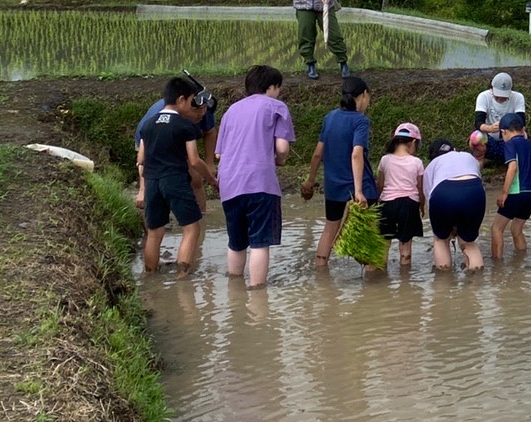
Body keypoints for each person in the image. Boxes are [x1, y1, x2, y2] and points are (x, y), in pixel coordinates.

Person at [213, 65, 294, 287]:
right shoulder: (276, 106)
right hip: (259, 182)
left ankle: (235, 290)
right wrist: (280, 160)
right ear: (272, 87)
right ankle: (258, 296)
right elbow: (282, 147)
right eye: (278, 88)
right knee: (259, 242)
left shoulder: (231, 111)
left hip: (229, 184)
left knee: (236, 242)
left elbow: (219, 153)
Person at [136, 75, 219, 275]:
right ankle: (183, 278)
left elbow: (141, 159)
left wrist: (144, 186)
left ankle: (151, 275)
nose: (193, 106)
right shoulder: (186, 126)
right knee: (191, 229)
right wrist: (211, 179)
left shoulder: (148, 124)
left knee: (155, 233)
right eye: (191, 101)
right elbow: (193, 160)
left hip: (153, 182)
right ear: (181, 100)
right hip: (175, 180)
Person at [300, 75, 377, 267]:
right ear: (363, 95)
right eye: (368, 98)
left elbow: (318, 153)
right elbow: (356, 154)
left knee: (330, 227)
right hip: (360, 185)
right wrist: (358, 191)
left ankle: (321, 269)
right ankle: (372, 277)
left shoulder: (330, 117)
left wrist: (310, 181)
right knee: (370, 231)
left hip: (333, 185)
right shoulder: (361, 121)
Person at [423, 134, 488, 271]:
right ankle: (475, 284)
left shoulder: (431, 166)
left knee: (441, 240)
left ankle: (444, 284)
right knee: (469, 243)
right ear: (454, 149)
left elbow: (431, 198)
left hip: (443, 193)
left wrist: (446, 228)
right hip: (474, 192)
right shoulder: (468, 157)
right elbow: (477, 179)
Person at [490, 112, 531, 260]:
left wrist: (504, 192)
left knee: (496, 229)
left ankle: (497, 264)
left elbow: (513, 167)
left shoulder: (510, 145)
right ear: (522, 130)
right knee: (517, 230)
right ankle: (521, 263)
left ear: (503, 132)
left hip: (515, 193)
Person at [376, 122, 427, 268]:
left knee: (384, 244)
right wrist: (422, 206)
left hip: (388, 204)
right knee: (405, 247)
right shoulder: (417, 162)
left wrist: (377, 204)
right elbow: (420, 188)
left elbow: (380, 185)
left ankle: (380, 277)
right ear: (413, 142)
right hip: (410, 205)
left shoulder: (385, 160)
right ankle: (406, 283)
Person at [474, 72, 527, 162]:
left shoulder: (518, 97)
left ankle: (515, 161)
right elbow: (478, 123)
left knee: (523, 135)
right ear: (491, 89)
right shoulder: (483, 97)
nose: (500, 99)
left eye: (504, 97)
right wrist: (489, 128)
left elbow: (521, 123)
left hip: (509, 138)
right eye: (497, 96)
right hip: (489, 138)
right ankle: (479, 164)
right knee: (476, 137)